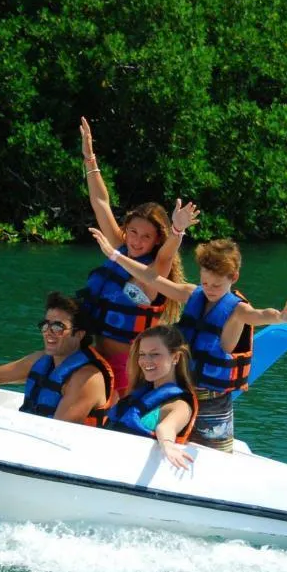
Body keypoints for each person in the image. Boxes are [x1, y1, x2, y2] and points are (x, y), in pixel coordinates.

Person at [87, 230, 287, 452]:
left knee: (213, 460)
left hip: (211, 405)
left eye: (217, 285)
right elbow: (151, 277)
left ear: (234, 278)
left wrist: (282, 317)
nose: (210, 290)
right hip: (177, 393)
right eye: (205, 282)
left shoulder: (238, 312)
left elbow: (262, 315)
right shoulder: (193, 294)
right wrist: (115, 255)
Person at [77, 116, 198, 394]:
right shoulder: (120, 245)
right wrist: (89, 157)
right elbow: (100, 201)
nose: (137, 241)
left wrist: (177, 229)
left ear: (157, 240)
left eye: (146, 237)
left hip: (127, 366)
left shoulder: (155, 270)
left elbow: (168, 253)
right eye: (132, 232)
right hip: (94, 355)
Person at [0, 291, 114, 426]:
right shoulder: (41, 360)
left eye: (58, 327)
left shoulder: (86, 379)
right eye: (46, 325)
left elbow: (58, 431)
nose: (48, 331)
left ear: (79, 334)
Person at [106, 324, 199, 470]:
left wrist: (168, 445)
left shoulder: (180, 405)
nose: (146, 360)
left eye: (155, 354)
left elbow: (166, 428)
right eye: (142, 354)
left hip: (132, 468)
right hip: (111, 458)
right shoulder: (139, 394)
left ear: (175, 357)